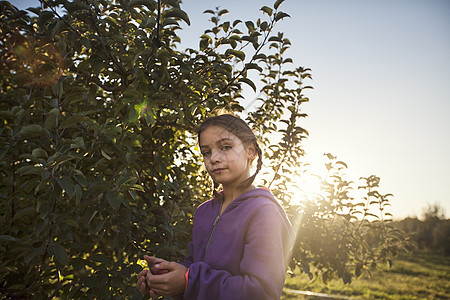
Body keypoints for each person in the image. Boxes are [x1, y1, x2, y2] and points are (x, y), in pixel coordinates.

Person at [137, 114, 295, 299]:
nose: (214, 158)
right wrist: (166, 279)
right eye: (206, 152)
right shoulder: (204, 211)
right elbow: (195, 268)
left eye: (226, 147)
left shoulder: (263, 212)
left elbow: (261, 291)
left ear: (250, 150)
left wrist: (189, 281)